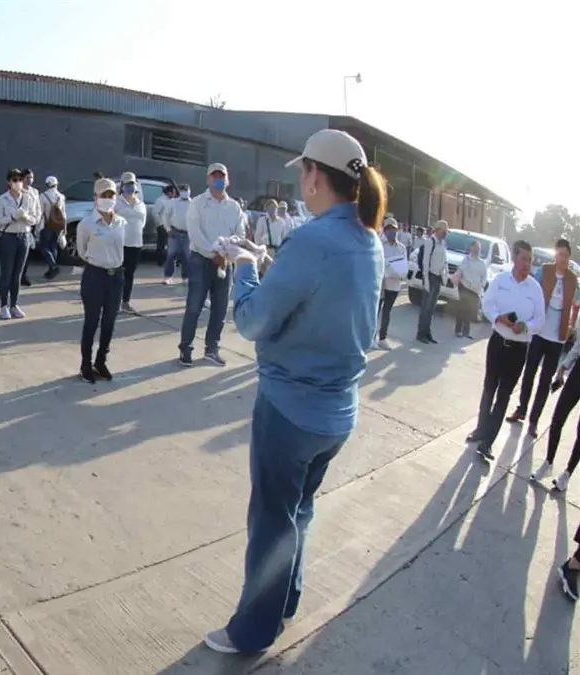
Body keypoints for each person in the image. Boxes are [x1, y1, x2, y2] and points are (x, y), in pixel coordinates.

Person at [202, 129, 387, 655]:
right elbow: (319, 297)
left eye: (303, 170)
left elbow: (253, 321)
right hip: (337, 412)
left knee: (270, 522)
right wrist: (266, 261)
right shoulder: (368, 238)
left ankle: (251, 632)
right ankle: (285, 602)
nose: (301, 179)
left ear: (315, 177)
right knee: (298, 512)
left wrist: (244, 268)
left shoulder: (313, 240)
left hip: (291, 411)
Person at [469, 240, 544, 461]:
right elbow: (487, 304)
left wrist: (526, 327)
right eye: (523, 259)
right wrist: (497, 318)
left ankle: (487, 442)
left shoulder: (535, 289)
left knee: (503, 395)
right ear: (514, 258)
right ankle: (480, 429)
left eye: (530, 260)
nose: (527, 264)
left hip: (518, 350)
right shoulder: (501, 281)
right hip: (497, 343)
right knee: (489, 388)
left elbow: (540, 320)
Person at [506, 238, 578, 436]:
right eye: (560, 254)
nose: (562, 259)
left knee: (545, 380)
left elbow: (576, 303)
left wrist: (572, 324)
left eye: (566, 256)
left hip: (557, 339)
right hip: (538, 332)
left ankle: (534, 420)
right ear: (555, 255)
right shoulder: (544, 271)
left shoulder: (572, 279)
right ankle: (521, 409)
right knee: (529, 373)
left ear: (569, 257)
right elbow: (531, 289)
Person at [179, 163, 245, 367]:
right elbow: (195, 233)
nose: (218, 180)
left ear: (227, 180)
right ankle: (186, 348)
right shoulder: (197, 203)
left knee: (220, 309)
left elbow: (240, 234)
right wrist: (212, 252)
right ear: (208, 179)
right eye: (214, 176)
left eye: (221, 176)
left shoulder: (234, 207)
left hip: (225, 262)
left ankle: (211, 349)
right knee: (194, 307)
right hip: (201, 260)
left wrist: (226, 251)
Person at [76, 178, 127, 382]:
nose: (108, 198)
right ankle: (85, 364)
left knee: (109, 322)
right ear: (95, 197)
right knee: (92, 321)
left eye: (111, 194)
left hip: (116, 277)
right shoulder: (87, 224)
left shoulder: (121, 222)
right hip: (94, 276)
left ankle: (101, 361)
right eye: (103, 195)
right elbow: (82, 251)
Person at [532, 315, 580, 492]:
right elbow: (578, 346)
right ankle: (548, 462)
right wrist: (563, 367)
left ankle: (567, 473)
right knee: (557, 417)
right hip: (579, 370)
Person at [0, 167, 35, 319]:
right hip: (8, 237)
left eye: (20, 180)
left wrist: (25, 217)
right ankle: (4, 305)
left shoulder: (28, 198)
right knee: (7, 272)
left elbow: (34, 218)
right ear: (9, 182)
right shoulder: (2, 199)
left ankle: (14, 305)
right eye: (15, 180)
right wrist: (13, 217)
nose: (18, 183)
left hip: (24, 236)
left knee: (18, 274)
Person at [114, 171, 148, 314]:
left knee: (129, 275)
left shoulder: (141, 204)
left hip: (136, 244)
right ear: (122, 186)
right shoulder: (117, 202)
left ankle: (125, 302)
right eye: (127, 184)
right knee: (117, 275)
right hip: (120, 244)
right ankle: (114, 302)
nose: (130, 187)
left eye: (132, 184)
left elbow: (142, 223)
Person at [415, 221, 448, 343]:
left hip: (438, 277)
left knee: (431, 308)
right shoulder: (430, 241)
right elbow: (425, 262)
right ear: (438, 230)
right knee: (425, 307)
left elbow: (444, 260)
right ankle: (420, 334)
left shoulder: (442, 243)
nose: (445, 233)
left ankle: (427, 332)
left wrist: (445, 275)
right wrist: (426, 280)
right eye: (444, 231)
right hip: (430, 276)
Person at [376, 218, 406, 349]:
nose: (392, 232)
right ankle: (370, 337)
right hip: (381, 284)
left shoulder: (401, 248)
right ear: (385, 230)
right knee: (376, 310)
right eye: (389, 229)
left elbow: (403, 267)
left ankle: (382, 338)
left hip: (394, 285)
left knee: (387, 312)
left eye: (394, 229)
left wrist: (394, 271)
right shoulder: (380, 244)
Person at [453, 240, 487, 340]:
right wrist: (467, 283)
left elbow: (484, 277)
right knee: (462, 309)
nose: (477, 250)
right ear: (471, 248)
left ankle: (466, 332)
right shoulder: (466, 260)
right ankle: (458, 330)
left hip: (475, 290)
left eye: (478, 248)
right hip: (464, 287)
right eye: (475, 247)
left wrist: (480, 285)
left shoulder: (482, 263)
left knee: (470, 311)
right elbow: (462, 272)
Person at [162, 184, 192, 285]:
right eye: (183, 190)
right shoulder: (173, 202)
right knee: (171, 255)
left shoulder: (193, 203)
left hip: (188, 233)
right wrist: (168, 229)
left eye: (187, 190)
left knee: (187, 256)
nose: (185, 192)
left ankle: (185, 277)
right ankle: (168, 276)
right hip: (175, 232)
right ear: (180, 191)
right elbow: (165, 215)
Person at [39, 176, 66, 279]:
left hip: (47, 224)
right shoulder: (61, 196)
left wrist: (37, 226)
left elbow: (40, 212)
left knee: (44, 247)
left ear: (47, 185)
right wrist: (65, 227)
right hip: (58, 225)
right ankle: (51, 270)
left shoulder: (43, 196)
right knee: (53, 246)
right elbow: (63, 213)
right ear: (56, 184)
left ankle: (53, 266)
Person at [20, 169, 42, 287]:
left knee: (27, 253)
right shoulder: (18, 191)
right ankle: (17, 275)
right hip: (21, 224)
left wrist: (36, 220)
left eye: (31, 177)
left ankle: (24, 275)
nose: (30, 180)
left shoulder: (34, 192)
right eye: (27, 177)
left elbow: (38, 208)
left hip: (31, 225)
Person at [153, 184, 177, 263]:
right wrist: (160, 224)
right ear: (169, 192)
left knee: (171, 243)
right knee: (162, 243)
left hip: (171, 225)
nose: (175, 195)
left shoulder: (172, 200)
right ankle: (160, 260)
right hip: (162, 225)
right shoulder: (161, 200)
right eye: (173, 193)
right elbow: (155, 213)